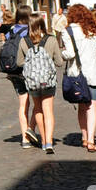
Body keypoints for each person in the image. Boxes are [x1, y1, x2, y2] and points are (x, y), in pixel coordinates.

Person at [58, 4, 96, 153]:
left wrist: (62, 54)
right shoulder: (93, 30)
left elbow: (70, 54)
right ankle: (92, 140)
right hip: (93, 73)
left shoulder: (67, 31)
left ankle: (84, 137)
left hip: (76, 74)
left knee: (81, 106)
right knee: (91, 107)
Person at [19, 10, 67, 154]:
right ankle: (49, 142)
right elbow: (59, 62)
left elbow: (19, 62)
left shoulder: (24, 41)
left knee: (38, 109)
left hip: (33, 82)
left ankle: (43, 138)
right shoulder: (51, 40)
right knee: (48, 111)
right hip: (48, 81)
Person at [0, 7, 37, 149]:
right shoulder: (30, 30)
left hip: (13, 71)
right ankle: (30, 129)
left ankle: (25, 138)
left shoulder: (11, 30)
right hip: (27, 70)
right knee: (38, 104)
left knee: (23, 105)